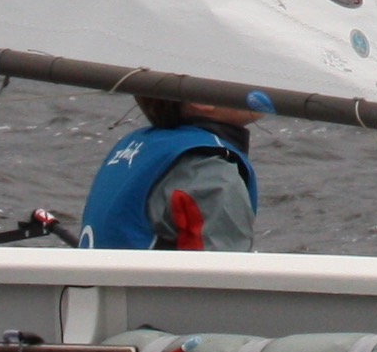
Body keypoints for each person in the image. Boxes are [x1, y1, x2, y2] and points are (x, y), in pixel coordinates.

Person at [80, 92, 264, 252]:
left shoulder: (132, 149)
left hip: (102, 287)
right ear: (202, 98)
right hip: (148, 292)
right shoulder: (210, 172)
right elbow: (224, 281)